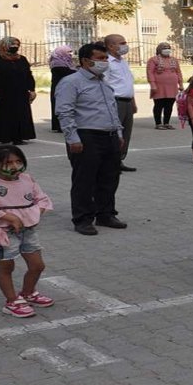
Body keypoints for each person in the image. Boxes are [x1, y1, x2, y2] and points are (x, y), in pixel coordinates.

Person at [55, 43, 127, 235]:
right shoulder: (71, 82)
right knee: (84, 180)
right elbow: (65, 112)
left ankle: (105, 214)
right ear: (86, 61)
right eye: (100, 58)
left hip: (109, 135)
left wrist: (119, 134)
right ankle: (83, 219)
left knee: (109, 178)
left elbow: (111, 110)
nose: (105, 62)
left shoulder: (103, 82)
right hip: (86, 136)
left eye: (105, 58)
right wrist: (72, 138)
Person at [0, 145, 54, 318]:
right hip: (5, 232)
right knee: (7, 267)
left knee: (37, 265)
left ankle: (28, 292)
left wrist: (34, 214)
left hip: (29, 230)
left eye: (18, 161)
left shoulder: (28, 179)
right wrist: (10, 217)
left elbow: (42, 198)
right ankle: (11, 301)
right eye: (8, 163)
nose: (14, 166)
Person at [0, 36, 36, 145]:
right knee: (4, 115)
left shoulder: (22, 59)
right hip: (3, 93)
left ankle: (19, 138)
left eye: (17, 45)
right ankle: (5, 137)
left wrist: (31, 89)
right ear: (4, 46)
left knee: (20, 115)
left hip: (20, 92)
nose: (15, 47)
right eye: (12, 45)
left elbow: (28, 75)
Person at [103, 34, 137, 171]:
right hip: (115, 101)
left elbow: (128, 83)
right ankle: (110, 162)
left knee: (126, 133)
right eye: (122, 43)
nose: (125, 45)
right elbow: (104, 84)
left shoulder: (123, 61)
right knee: (115, 133)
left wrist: (133, 102)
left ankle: (120, 160)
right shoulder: (107, 62)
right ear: (111, 46)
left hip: (127, 101)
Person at [147, 42, 183, 130]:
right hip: (159, 86)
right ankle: (158, 123)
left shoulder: (174, 60)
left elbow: (178, 72)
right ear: (159, 50)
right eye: (164, 48)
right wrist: (152, 84)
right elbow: (150, 72)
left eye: (168, 47)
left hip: (172, 86)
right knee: (159, 104)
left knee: (169, 105)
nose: (167, 49)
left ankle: (166, 122)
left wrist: (181, 84)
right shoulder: (153, 60)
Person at [48, 45, 75, 133]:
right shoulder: (57, 63)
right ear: (62, 52)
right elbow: (67, 73)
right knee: (60, 106)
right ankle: (59, 126)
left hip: (66, 86)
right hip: (59, 87)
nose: (70, 54)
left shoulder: (67, 62)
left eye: (71, 52)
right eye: (68, 52)